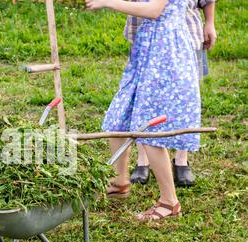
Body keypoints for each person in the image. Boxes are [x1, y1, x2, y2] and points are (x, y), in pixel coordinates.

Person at [85, 0, 201, 220]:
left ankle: (170, 202)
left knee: (149, 129)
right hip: (148, 49)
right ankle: (119, 182)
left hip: (165, 53)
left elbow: (153, 10)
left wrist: (107, 3)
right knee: (118, 117)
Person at [124, 0, 217, 187]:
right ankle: (143, 159)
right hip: (144, 32)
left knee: (184, 97)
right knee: (144, 95)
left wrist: (210, 22)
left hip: (185, 34)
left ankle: (181, 159)